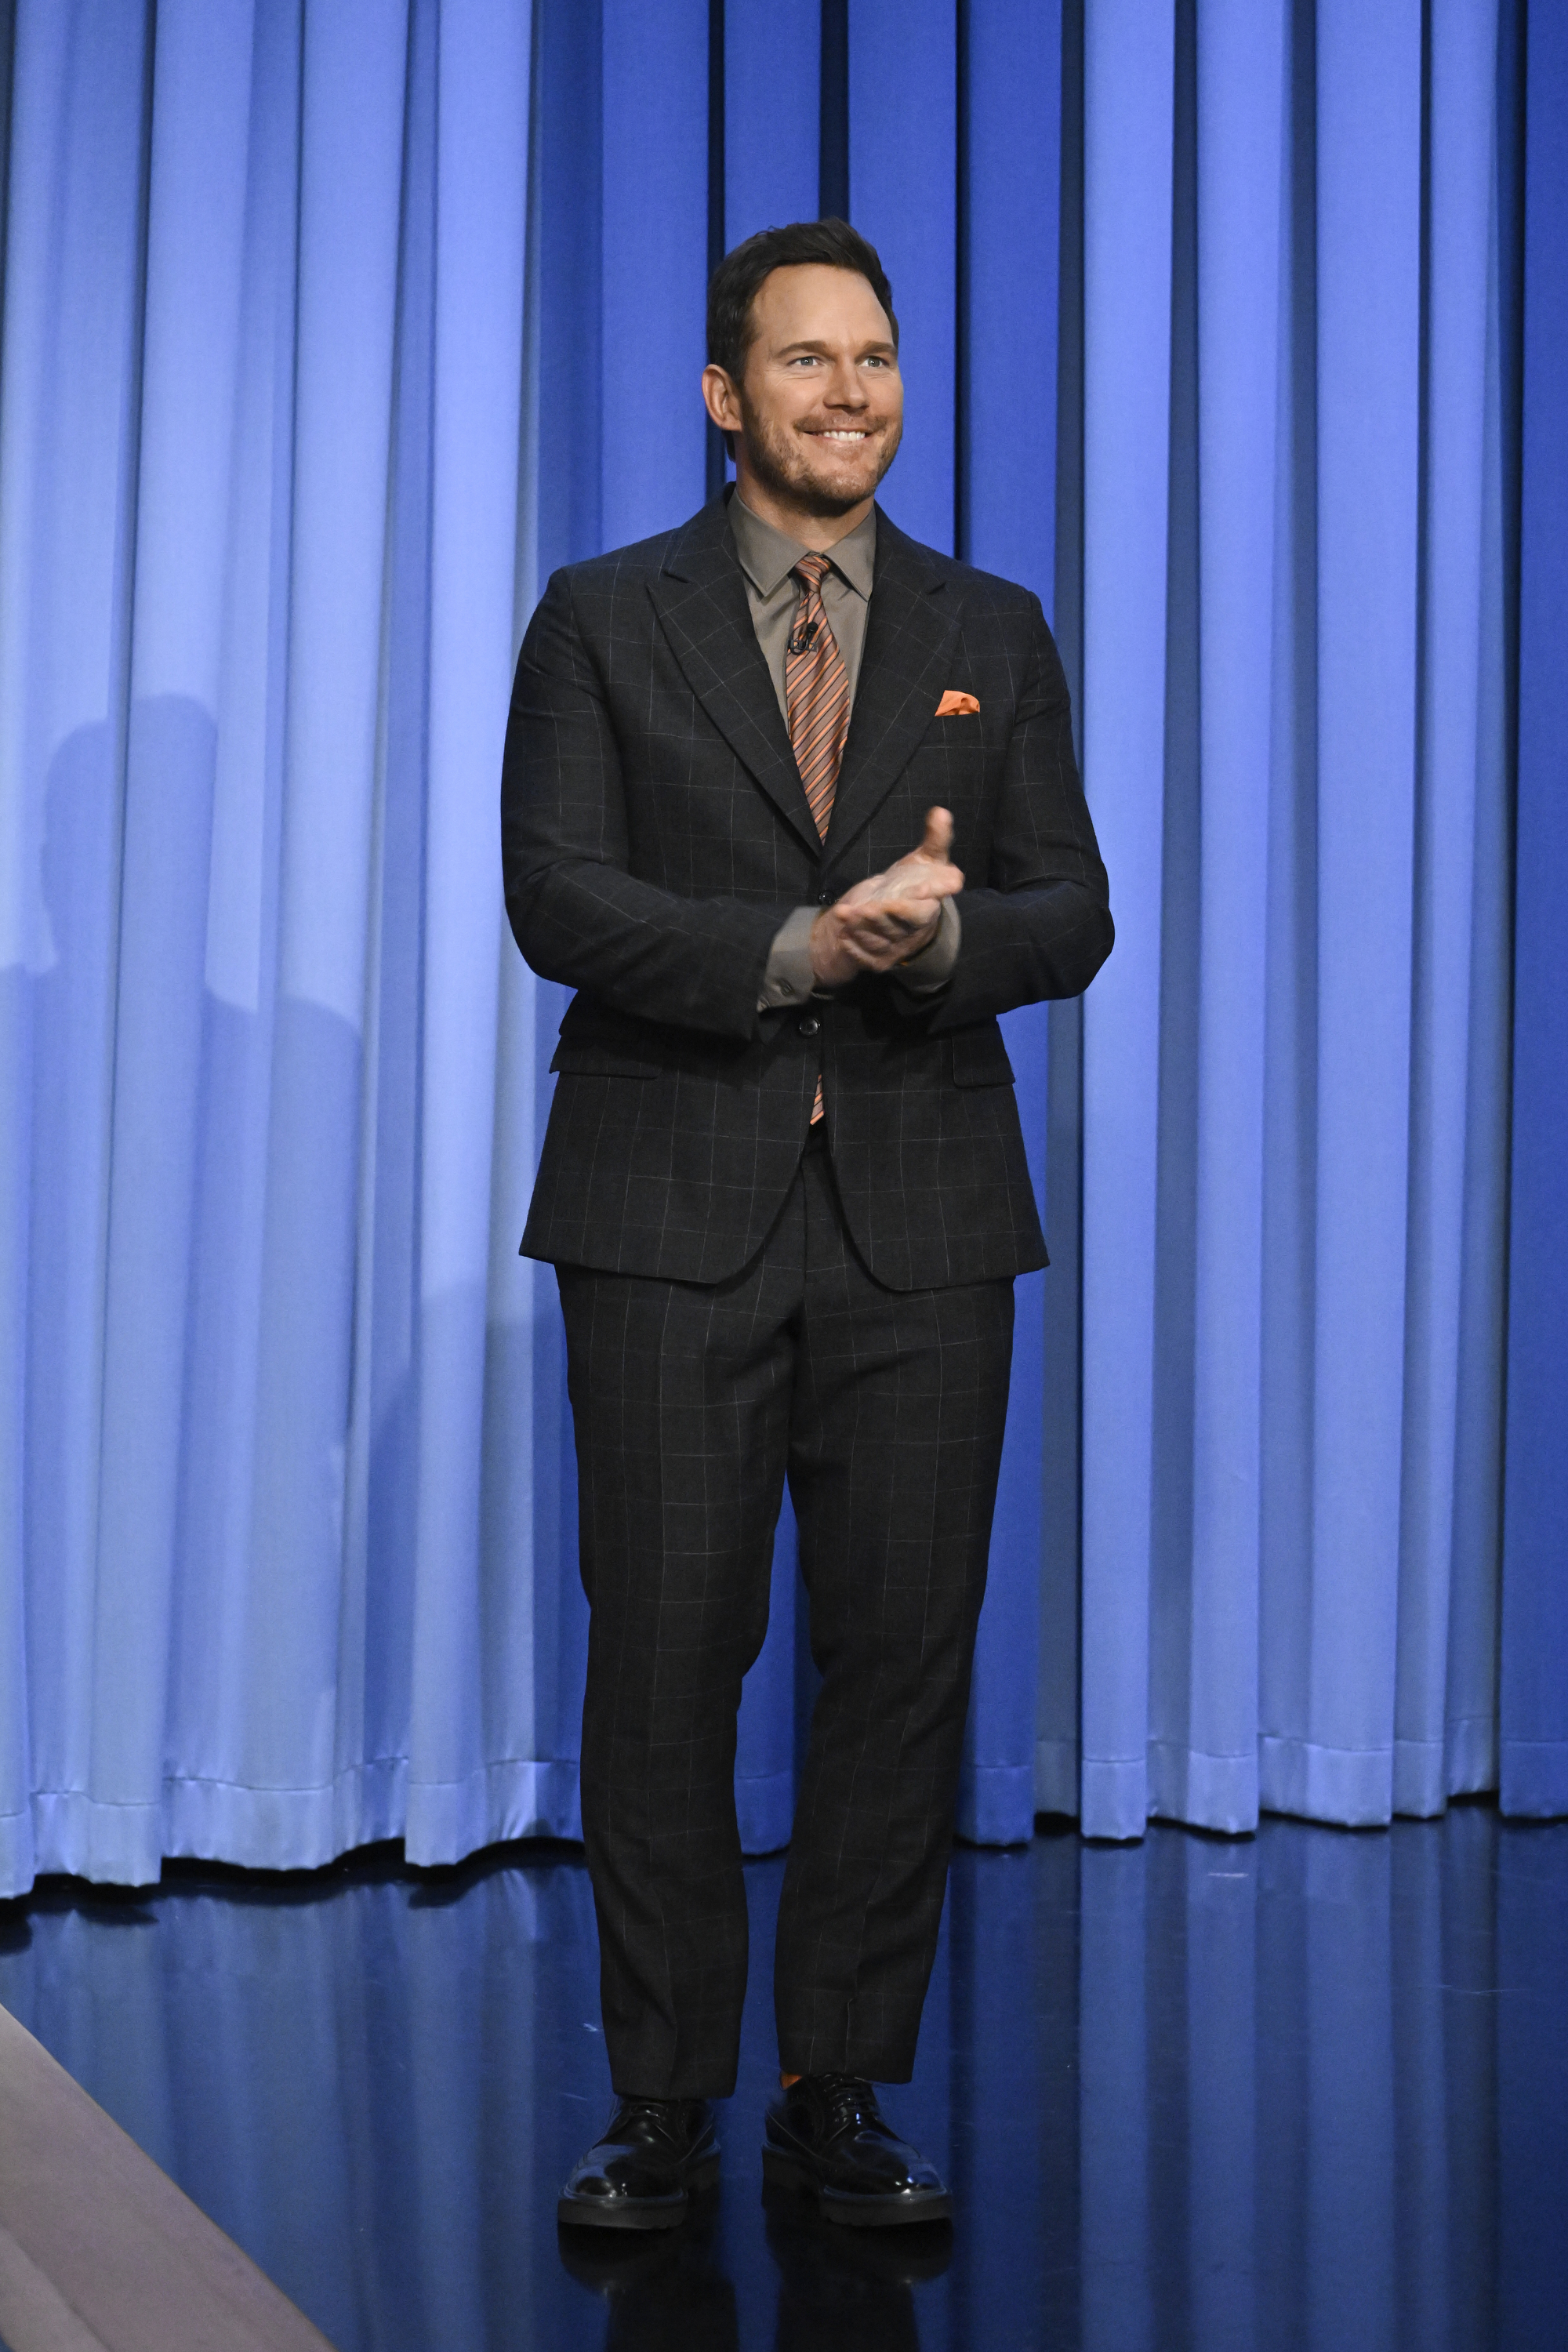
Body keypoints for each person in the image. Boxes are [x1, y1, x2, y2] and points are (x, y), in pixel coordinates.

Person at [502, 218, 1111, 2231]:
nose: (848, 393)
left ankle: (833, 2085)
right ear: (720, 395)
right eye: (803, 362)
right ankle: (661, 2101)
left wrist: (935, 949)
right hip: (667, 1209)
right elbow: (558, 897)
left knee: (901, 1662)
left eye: (874, 359)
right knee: (664, 1661)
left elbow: (1071, 910)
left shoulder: (986, 625)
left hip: (923, 1225)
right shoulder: (602, 617)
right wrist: (791, 943)